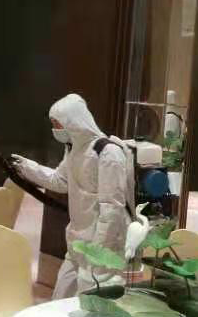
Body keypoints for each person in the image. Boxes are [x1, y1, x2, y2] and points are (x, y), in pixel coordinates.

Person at [11, 93, 132, 299]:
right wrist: (27, 167)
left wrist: (99, 250)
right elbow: (60, 181)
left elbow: (112, 208)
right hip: (77, 240)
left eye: (57, 124)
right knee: (60, 298)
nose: (56, 130)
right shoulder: (74, 150)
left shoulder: (108, 153)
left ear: (73, 122)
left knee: (90, 305)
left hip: (103, 247)